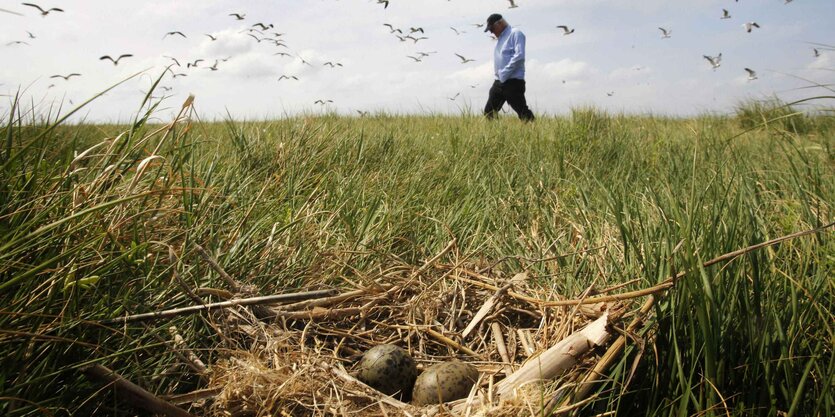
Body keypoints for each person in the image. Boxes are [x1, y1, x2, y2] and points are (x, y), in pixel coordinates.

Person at [483, 13, 535, 121]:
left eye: (492, 29)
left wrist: (504, 72)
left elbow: (519, 56)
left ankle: (536, 132)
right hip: (499, 82)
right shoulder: (500, 39)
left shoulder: (515, 33)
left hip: (513, 82)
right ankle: (497, 136)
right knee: (489, 113)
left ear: (500, 23)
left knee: (522, 112)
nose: (492, 32)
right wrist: (500, 75)